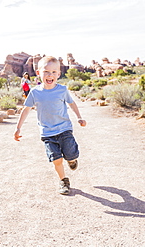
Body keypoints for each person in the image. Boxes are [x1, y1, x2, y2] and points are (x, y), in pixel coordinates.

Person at [14, 56, 87, 195]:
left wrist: (79, 117)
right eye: (46, 71)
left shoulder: (62, 90)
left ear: (59, 74)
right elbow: (26, 109)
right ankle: (63, 181)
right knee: (56, 159)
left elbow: (71, 103)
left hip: (64, 129)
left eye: (54, 72)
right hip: (47, 133)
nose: (50, 75)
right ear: (38, 73)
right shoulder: (35, 92)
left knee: (70, 154)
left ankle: (72, 160)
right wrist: (18, 128)